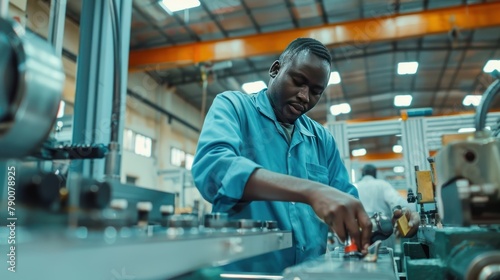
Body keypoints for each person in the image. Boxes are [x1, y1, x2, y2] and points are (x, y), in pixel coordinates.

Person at [192, 38, 418, 274]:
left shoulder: (322, 140)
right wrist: (311, 191)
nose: (304, 96)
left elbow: (346, 208)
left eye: (315, 92)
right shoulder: (234, 107)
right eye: (298, 81)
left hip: (310, 273)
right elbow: (213, 168)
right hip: (244, 274)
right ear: (275, 69)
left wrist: (383, 222)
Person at [356, 164, 418, 248]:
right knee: (386, 256)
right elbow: (396, 202)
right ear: (375, 174)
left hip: (361, 232)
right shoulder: (382, 185)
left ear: (362, 174)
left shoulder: (355, 186)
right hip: (383, 232)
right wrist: (412, 210)